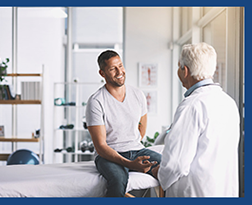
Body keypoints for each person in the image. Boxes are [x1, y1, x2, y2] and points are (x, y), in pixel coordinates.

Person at [151, 42, 240, 197]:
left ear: (184, 71)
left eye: (179, 67)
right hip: (222, 190)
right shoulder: (228, 102)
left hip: (194, 193)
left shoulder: (191, 105)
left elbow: (175, 164)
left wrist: (159, 172)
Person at [85, 50, 161, 197]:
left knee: (169, 168)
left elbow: (142, 127)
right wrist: (130, 164)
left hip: (137, 150)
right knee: (118, 180)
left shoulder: (137, 94)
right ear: (102, 73)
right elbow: (100, 147)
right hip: (109, 155)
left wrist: (133, 148)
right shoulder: (96, 101)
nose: (120, 71)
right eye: (113, 68)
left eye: (120, 65)